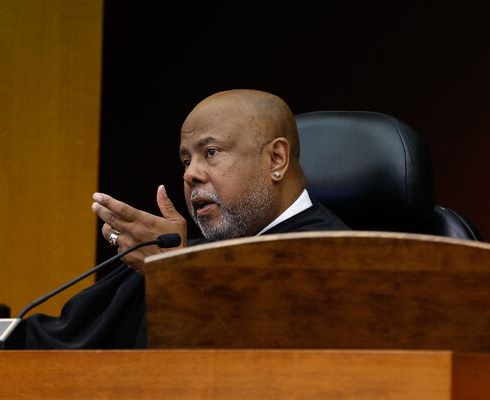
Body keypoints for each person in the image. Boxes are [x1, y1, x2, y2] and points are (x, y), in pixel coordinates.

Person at [24, 89, 348, 349]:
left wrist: (181, 278)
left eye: (211, 152)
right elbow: (56, 341)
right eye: (185, 160)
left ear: (276, 158)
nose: (191, 174)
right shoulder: (170, 255)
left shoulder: (344, 261)